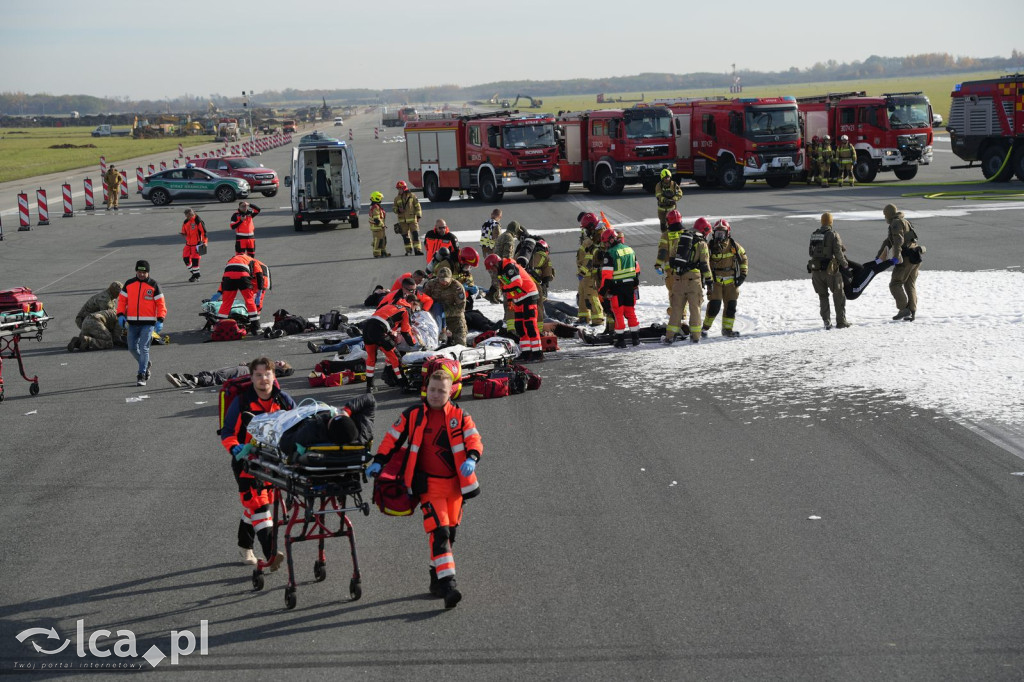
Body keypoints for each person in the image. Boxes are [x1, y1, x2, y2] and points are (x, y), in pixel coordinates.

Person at [366, 370, 483, 609]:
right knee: (439, 533)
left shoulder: (460, 415)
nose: (436, 395)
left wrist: (472, 457)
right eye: (432, 389)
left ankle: (435, 578)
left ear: (451, 391)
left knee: (449, 536)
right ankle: (449, 586)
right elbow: (392, 438)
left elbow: (474, 439)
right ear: (425, 389)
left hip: (456, 487)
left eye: (442, 391)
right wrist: (379, 460)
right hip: (428, 487)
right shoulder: (413, 415)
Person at [220, 357, 295, 568]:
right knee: (259, 506)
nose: (263, 379)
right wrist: (236, 449)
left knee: (254, 506)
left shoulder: (284, 400)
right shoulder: (242, 402)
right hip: (247, 463)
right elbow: (227, 433)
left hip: (274, 463)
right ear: (252, 378)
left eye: (267, 374)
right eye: (259, 375)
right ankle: (272, 555)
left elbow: (298, 426)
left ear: (274, 375)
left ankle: (245, 547)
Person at [116, 260, 166, 386]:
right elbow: (122, 301)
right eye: (139, 272)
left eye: (144, 272)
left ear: (148, 272)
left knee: (144, 348)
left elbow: (161, 304)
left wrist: (160, 319)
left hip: (148, 324)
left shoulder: (154, 285)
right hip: (132, 323)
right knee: (132, 348)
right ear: (136, 271)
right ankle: (146, 363)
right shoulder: (129, 284)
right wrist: (120, 314)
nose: (141, 274)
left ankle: (142, 374)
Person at [485, 253, 543, 361]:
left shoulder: (509, 267)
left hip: (528, 295)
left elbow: (517, 283)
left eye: (492, 269)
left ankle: (537, 352)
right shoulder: (501, 273)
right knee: (520, 326)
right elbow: (509, 288)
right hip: (519, 298)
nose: (492, 272)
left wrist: (505, 289)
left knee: (530, 324)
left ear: (495, 265)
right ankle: (526, 352)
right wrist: (511, 300)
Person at [663, 218, 712, 344]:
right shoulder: (701, 243)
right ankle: (695, 337)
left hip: (678, 280)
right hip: (693, 281)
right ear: (704, 230)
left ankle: (669, 337)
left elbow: (672, 259)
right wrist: (709, 282)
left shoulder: (680, 239)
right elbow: (705, 265)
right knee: (695, 309)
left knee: (676, 309)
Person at [702, 219, 748, 338]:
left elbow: (743, 259)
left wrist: (742, 275)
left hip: (731, 283)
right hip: (715, 282)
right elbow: (703, 262)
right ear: (714, 233)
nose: (720, 236)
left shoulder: (734, 246)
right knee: (714, 306)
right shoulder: (709, 246)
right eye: (718, 233)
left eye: (722, 233)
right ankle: (704, 329)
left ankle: (727, 329)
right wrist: (705, 279)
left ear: (728, 233)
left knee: (731, 307)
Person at [876, 203, 920, 322]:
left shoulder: (895, 223)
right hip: (915, 256)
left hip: (905, 258)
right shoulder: (904, 221)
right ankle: (912, 311)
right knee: (909, 284)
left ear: (889, 214)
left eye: (885, 214)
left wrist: (896, 257)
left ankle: (903, 309)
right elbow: (888, 241)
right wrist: (879, 256)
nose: (884, 217)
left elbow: (897, 241)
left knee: (895, 284)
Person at [809, 212, 851, 330]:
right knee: (838, 295)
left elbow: (811, 252)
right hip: (830, 271)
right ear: (831, 222)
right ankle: (841, 321)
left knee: (823, 296)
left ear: (822, 222)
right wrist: (845, 265)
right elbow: (838, 253)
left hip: (816, 270)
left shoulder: (814, 234)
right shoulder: (833, 235)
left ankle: (826, 321)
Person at [599, 230, 641, 348]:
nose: (605, 245)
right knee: (631, 312)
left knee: (618, 314)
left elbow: (607, 276)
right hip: (630, 287)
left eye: (606, 242)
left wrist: (602, 291)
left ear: (612, 239)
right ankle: (635, 339)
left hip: (617, 288)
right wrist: (634, 285)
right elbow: (637, 270)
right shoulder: (630, 250)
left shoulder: (610, 253)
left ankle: (621, 341)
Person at [363, 300, 414, 393]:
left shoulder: (390, 306)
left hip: (367, 328)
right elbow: (406, 331)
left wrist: (390, 333)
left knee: (371, 359)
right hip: (379, 330)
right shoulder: (405, 310)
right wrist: (413, 344)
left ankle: (369, 386)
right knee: (395, 358)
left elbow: (383, 320)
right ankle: (404, 385)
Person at [213, 253, 263, 334]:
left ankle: (219, 327)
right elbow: (259, 274)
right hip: (243, 276)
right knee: (249, 300)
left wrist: (220, 291)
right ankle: (256, 327)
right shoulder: (252, 260)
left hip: (228, 277)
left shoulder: (231, 260)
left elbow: (224, 277)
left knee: (226, 302)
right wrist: (260, 290)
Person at [166, 360, 293, 389]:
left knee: (220, 376)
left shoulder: (273, 373)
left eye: (280, 364)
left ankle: (193, 380)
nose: (277, 362)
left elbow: (287, 372)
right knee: (215, 372)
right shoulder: (269, 364)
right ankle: (185, 379)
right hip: (244, 368)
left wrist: (286, 370)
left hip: (246, 372)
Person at [423, 266, 468, 346]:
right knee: (431, 342)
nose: (444, 283)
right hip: (435, 316)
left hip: (454, 317)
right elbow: (424, 300)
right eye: (441, 281)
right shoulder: (431, 284)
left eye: (446, 281)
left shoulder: (457, 287)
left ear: (450, 278)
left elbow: (461, 308)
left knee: (461, 343)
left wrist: (445, 313)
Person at [575, 213, 605, 327]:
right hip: (584, 272)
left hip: (590, 272)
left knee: (592, 295)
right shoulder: (592, 234)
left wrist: (583, 271)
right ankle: (583, 317)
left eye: (586, 228)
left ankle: (598, 319)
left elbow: (591, 257)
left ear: (591, 226)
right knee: (582, 294)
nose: (585, 230)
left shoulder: (598, 235)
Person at [488, 219, 521, 306]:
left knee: (496, 281)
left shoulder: (502, 235)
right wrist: (508, 267)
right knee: (505, 284)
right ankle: (503, 301)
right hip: (501, 265)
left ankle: (493, 296)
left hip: (495, 263)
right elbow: (508, 254)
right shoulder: (509, 238)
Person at [393, 180, 423, 256]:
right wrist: (398, 210)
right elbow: (394, 209)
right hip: (402, 221)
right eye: (398, 189)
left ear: (404, 188)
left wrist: (418, 215)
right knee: (405, 237)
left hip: (413, 219)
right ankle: (408, 250)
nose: (399, 190)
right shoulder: (396, 199)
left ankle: (418, 250)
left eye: (400, 189)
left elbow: (417, 206)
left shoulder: (412, 196)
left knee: (415, 234)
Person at [181, 208, 208, 282]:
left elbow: (204, 232)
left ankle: (196, 276)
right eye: (187, 215)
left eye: (190, 214)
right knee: (186, 259)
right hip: (188, 244)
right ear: (186, 216)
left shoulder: (198, 220)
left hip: (197, 244)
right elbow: (184, 231)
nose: (189, 216)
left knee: (195, 260)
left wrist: (204, 242)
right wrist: (183, 234)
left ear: (193, 213)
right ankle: (194, 273)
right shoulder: (186, 222)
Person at [368, 191, 390, 258]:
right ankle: (377, 253)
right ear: (376, 198)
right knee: (378, 240)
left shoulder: (377, 206)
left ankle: (383, 252)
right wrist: (382, 224)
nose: (381, 199)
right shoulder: (375, 207)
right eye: (380, 198)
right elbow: (376, 219)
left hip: (379, 227)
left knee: (383, 240)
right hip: (377, 227)